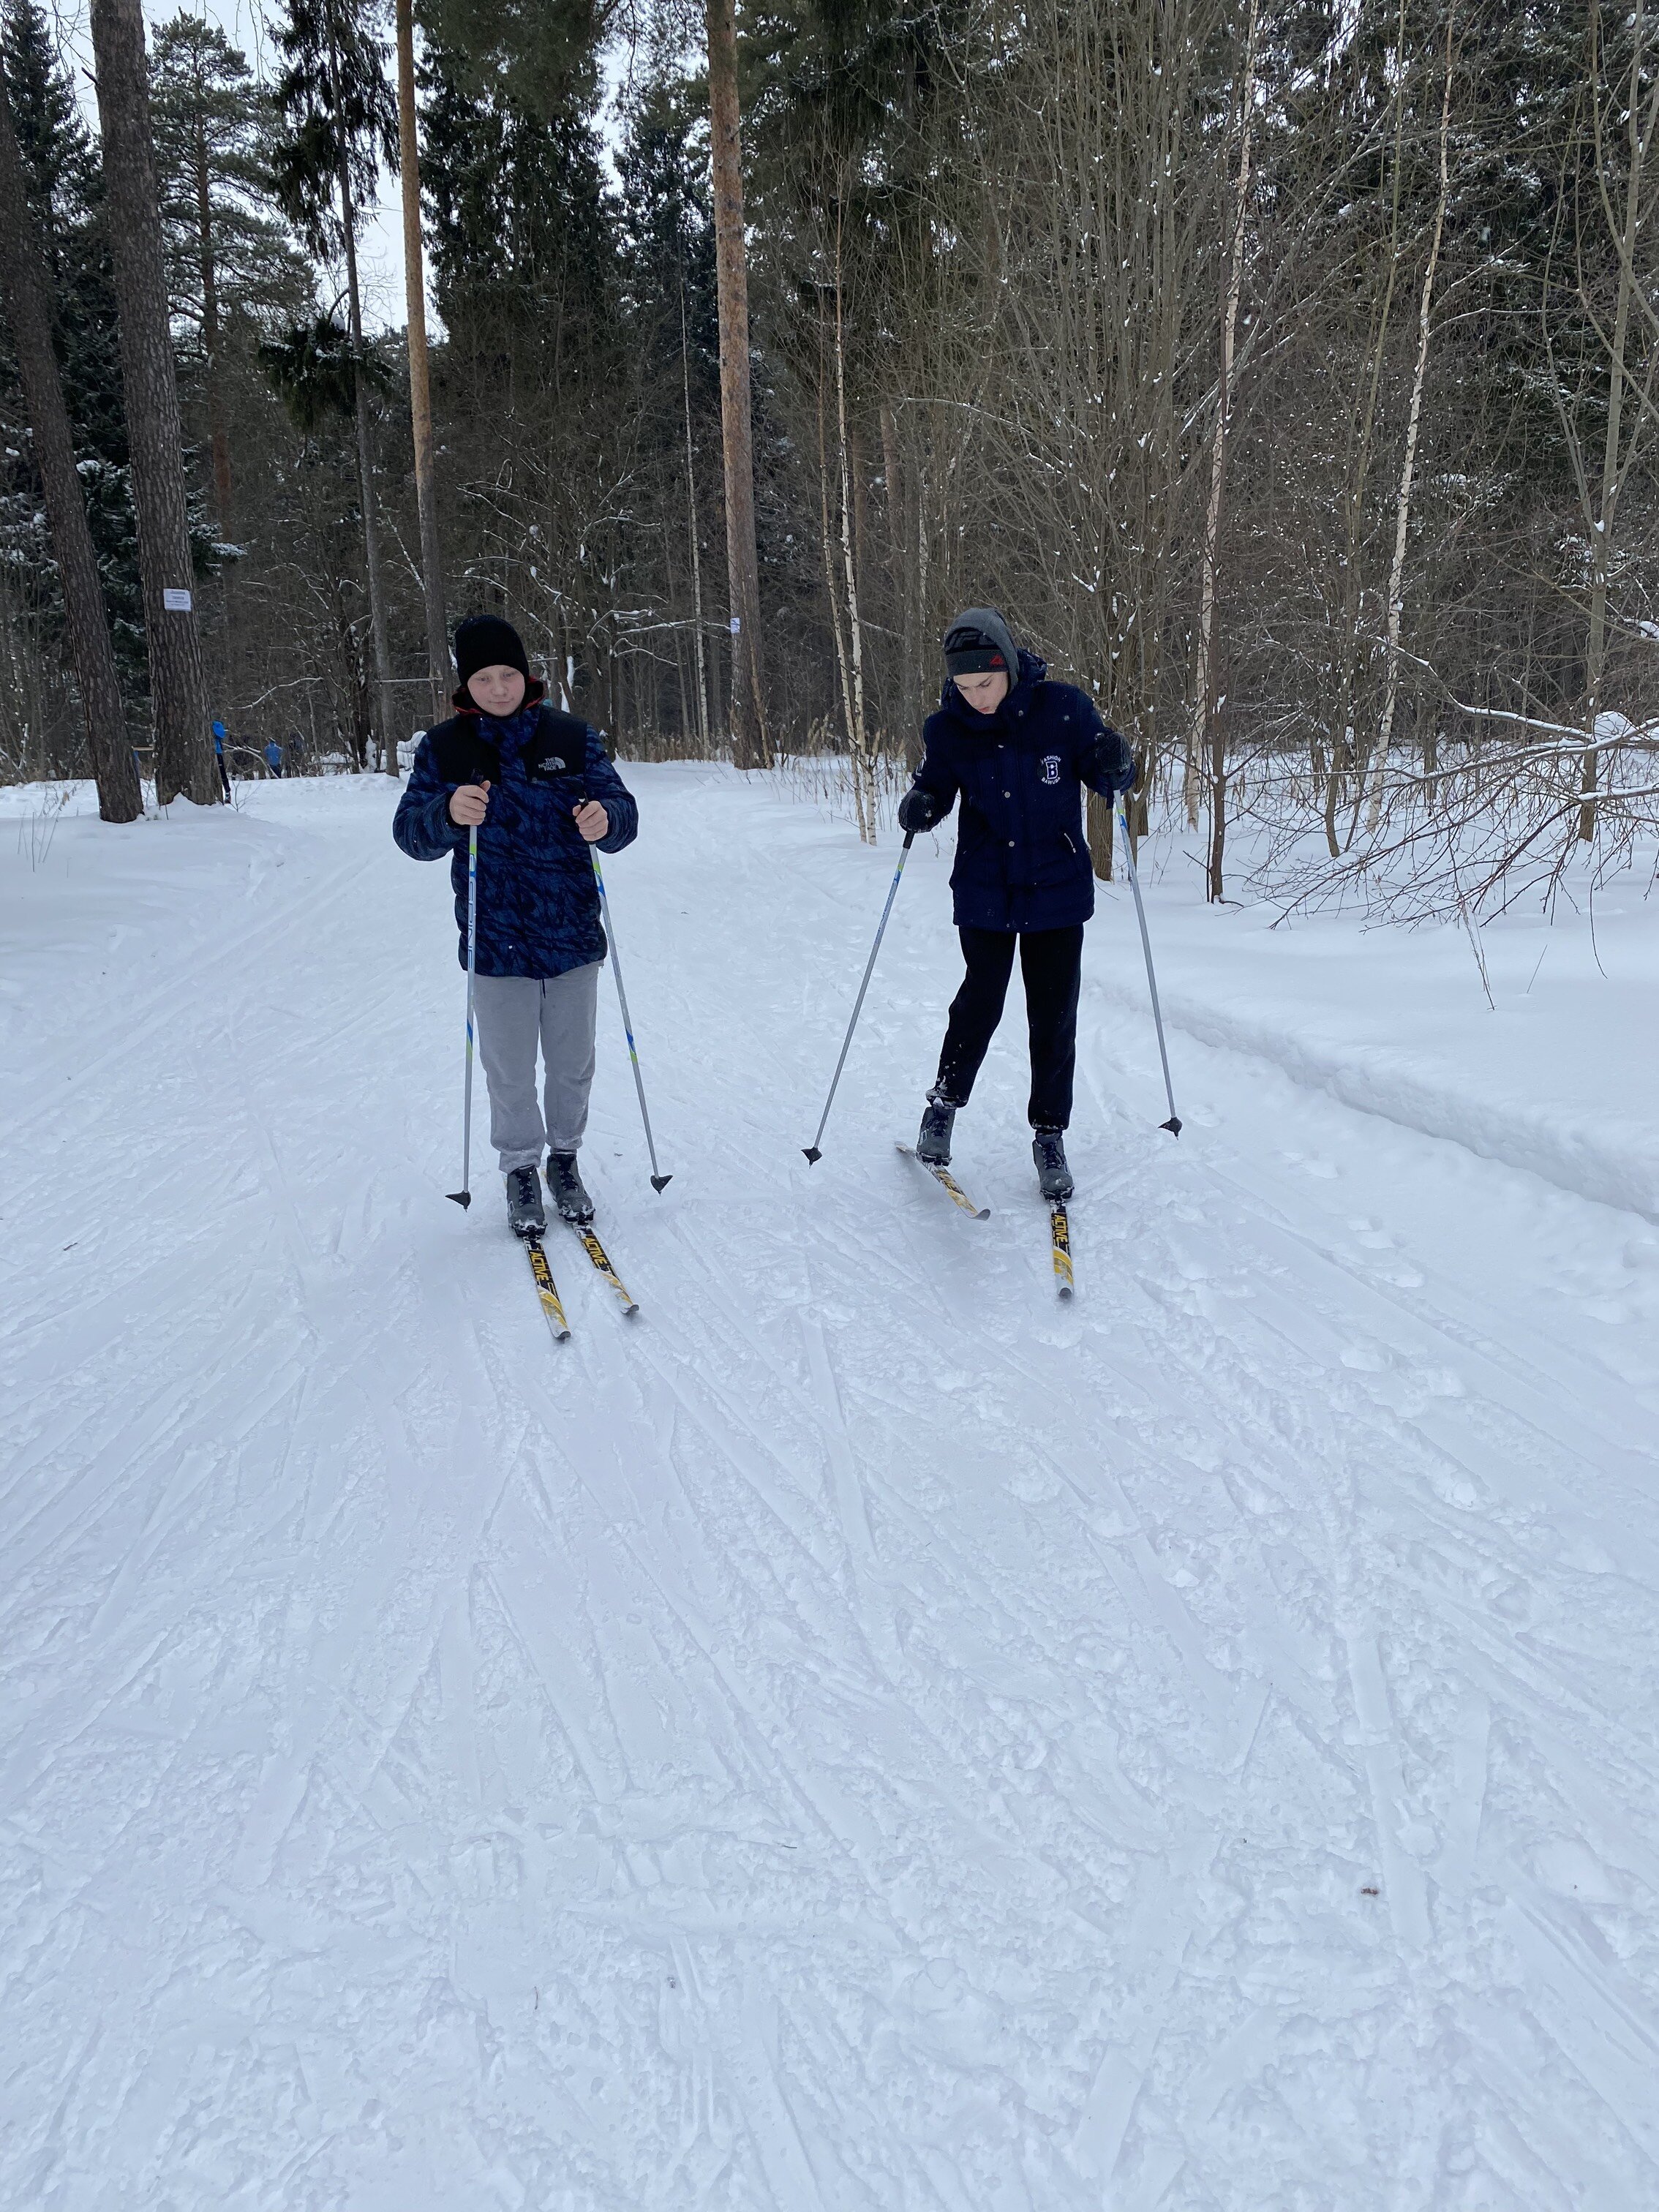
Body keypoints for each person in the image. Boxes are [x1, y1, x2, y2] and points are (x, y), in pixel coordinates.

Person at [394, 614, 639, 1237]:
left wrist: (605, 820)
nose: (498, 688)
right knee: (508, 1069)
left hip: (572, 936)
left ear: (525, 674)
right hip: (494, 938)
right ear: (465, 683)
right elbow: (409, 834)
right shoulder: (444, 748)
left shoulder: (572, 737)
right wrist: (446, 811)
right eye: (484, 677)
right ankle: (520, 1168)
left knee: (572, 1064)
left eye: (507, 674)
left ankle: (564, 1159)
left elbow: (624, 812)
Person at [896, 606, 1135, 1202]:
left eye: (987, 683)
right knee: (979, 1001)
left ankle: (1049, 1135)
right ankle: (943, 1106)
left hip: (1057, 888)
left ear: (1008, 666)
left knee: (1053, 1016)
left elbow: (1108, 779)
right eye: (965, 686)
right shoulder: (947, 729)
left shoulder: (1064, 709)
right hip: (985, 887)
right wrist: (921, 804)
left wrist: (1116, 761)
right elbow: (936, 788)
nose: (977, 696)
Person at [211, 718, 231, 800]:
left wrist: (211, 727)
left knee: (222, 773)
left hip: (217, 752)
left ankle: (227, 792)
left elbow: (221, 734)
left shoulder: (217, 724)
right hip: (208, 752)